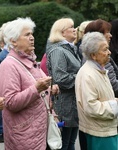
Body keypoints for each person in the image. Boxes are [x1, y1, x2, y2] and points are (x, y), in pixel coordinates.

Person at [0, 17, 59, 150]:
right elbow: (10, 102)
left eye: (32, 34)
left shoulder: (31, 61)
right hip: (24, 135)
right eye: (27, 34)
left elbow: (42, 89)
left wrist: (50, 88)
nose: (32, 37)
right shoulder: (8, 65)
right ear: (13, 41)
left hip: (40, 131)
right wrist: (37, 89)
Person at [75, 31, 118, 150]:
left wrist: (115, 101)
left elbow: (103, 97)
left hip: (104, 129)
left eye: (108, 49)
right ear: (93, 55)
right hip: (99, 133)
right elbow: (91, 107)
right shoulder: (88, 74)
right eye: (104, 50)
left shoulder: (98, 70)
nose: (109, 52)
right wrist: (115, 105)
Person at [46, 18, 81, 150]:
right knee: (64, 144)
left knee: (70, 142)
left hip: (72, 104)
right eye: (71, 27)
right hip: (64, 105)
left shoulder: (69, 49)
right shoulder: (58, 51)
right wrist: (82, 78)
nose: (75, 29)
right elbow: (60, 78)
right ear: (62, 32)